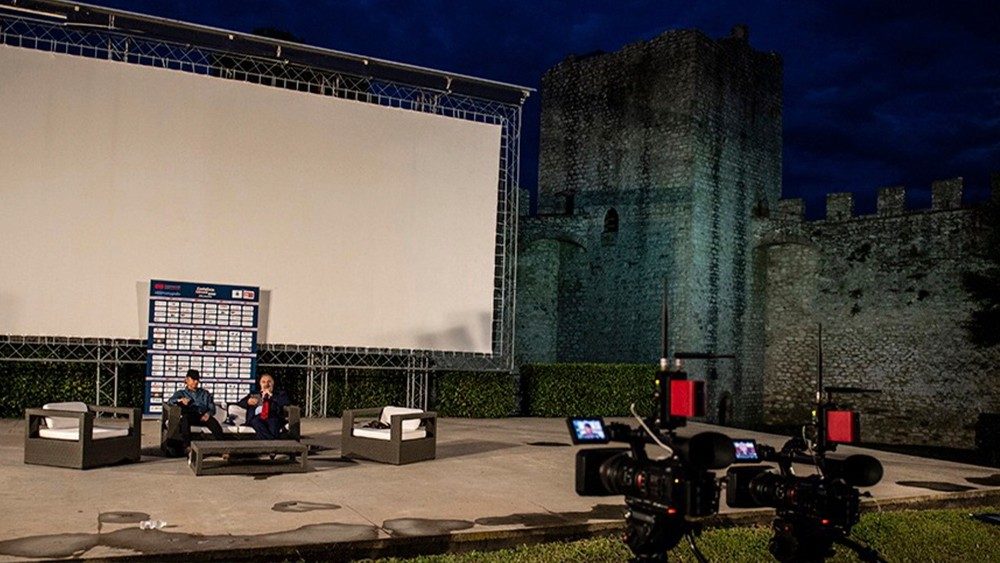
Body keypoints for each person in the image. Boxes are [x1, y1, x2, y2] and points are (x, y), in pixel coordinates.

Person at [167, 369, 226, 450]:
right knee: (185, 420)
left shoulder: (205, 393)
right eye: (193, 379)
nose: (196, 382)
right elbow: (170, 401)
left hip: (203, 416)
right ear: (187, 380)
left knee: (214, 423)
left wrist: (208, 414)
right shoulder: (181, 393)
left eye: (197, 380)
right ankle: (187, 447)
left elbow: (212, 408)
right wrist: (180, 400)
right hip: (190, 416)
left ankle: (223, 448)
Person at [236, 373, 290, 440]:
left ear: (273, 383)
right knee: (255, 421)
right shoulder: (254, 394)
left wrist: (271, 395)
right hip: (257, 417)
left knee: (273, 424)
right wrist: (248, 401)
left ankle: (268, 442)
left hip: (273, 416)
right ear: (260, 384)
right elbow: (240, 403)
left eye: (269, 381)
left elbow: (285, 402)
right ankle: (273, 441)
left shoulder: (279, 394)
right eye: (263, 382)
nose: (266, 384)